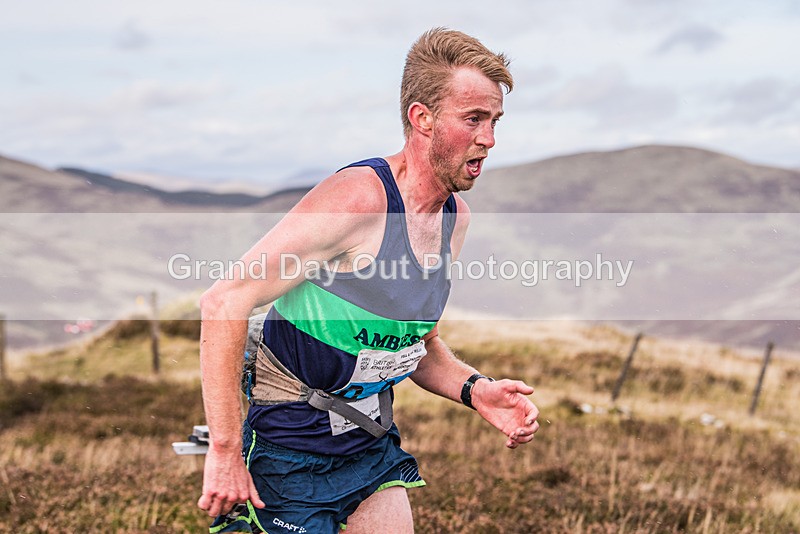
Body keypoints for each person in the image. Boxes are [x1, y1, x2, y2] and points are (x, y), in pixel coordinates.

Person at [197, 28, 540, 533]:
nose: (489, 139)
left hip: (369, 447)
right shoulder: (358, 200)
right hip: (287, 453)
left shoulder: (454, 219)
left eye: (494, 121)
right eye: (473, 119)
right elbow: (224, 302)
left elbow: (417, 346)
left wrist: (476, 391)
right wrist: (224, 451)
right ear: (421, 118)